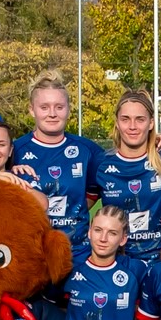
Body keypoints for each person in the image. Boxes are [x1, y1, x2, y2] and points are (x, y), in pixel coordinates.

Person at [92, 89, 161, 264]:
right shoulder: (101, 163)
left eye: (140, 119)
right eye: (125, 119)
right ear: (117, 122)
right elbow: (77, 204)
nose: (132, 126)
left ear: (151, 123)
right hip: (117, 265)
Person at [12, 72, 104, 248]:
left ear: (68, 109)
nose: (52, 114)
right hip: (32, 251)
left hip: (77, 252)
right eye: (44, 107)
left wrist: (154, 141)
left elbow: (123, 163)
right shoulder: (15, 150)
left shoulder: (87, 150)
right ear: (32, 109)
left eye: (59, 107)